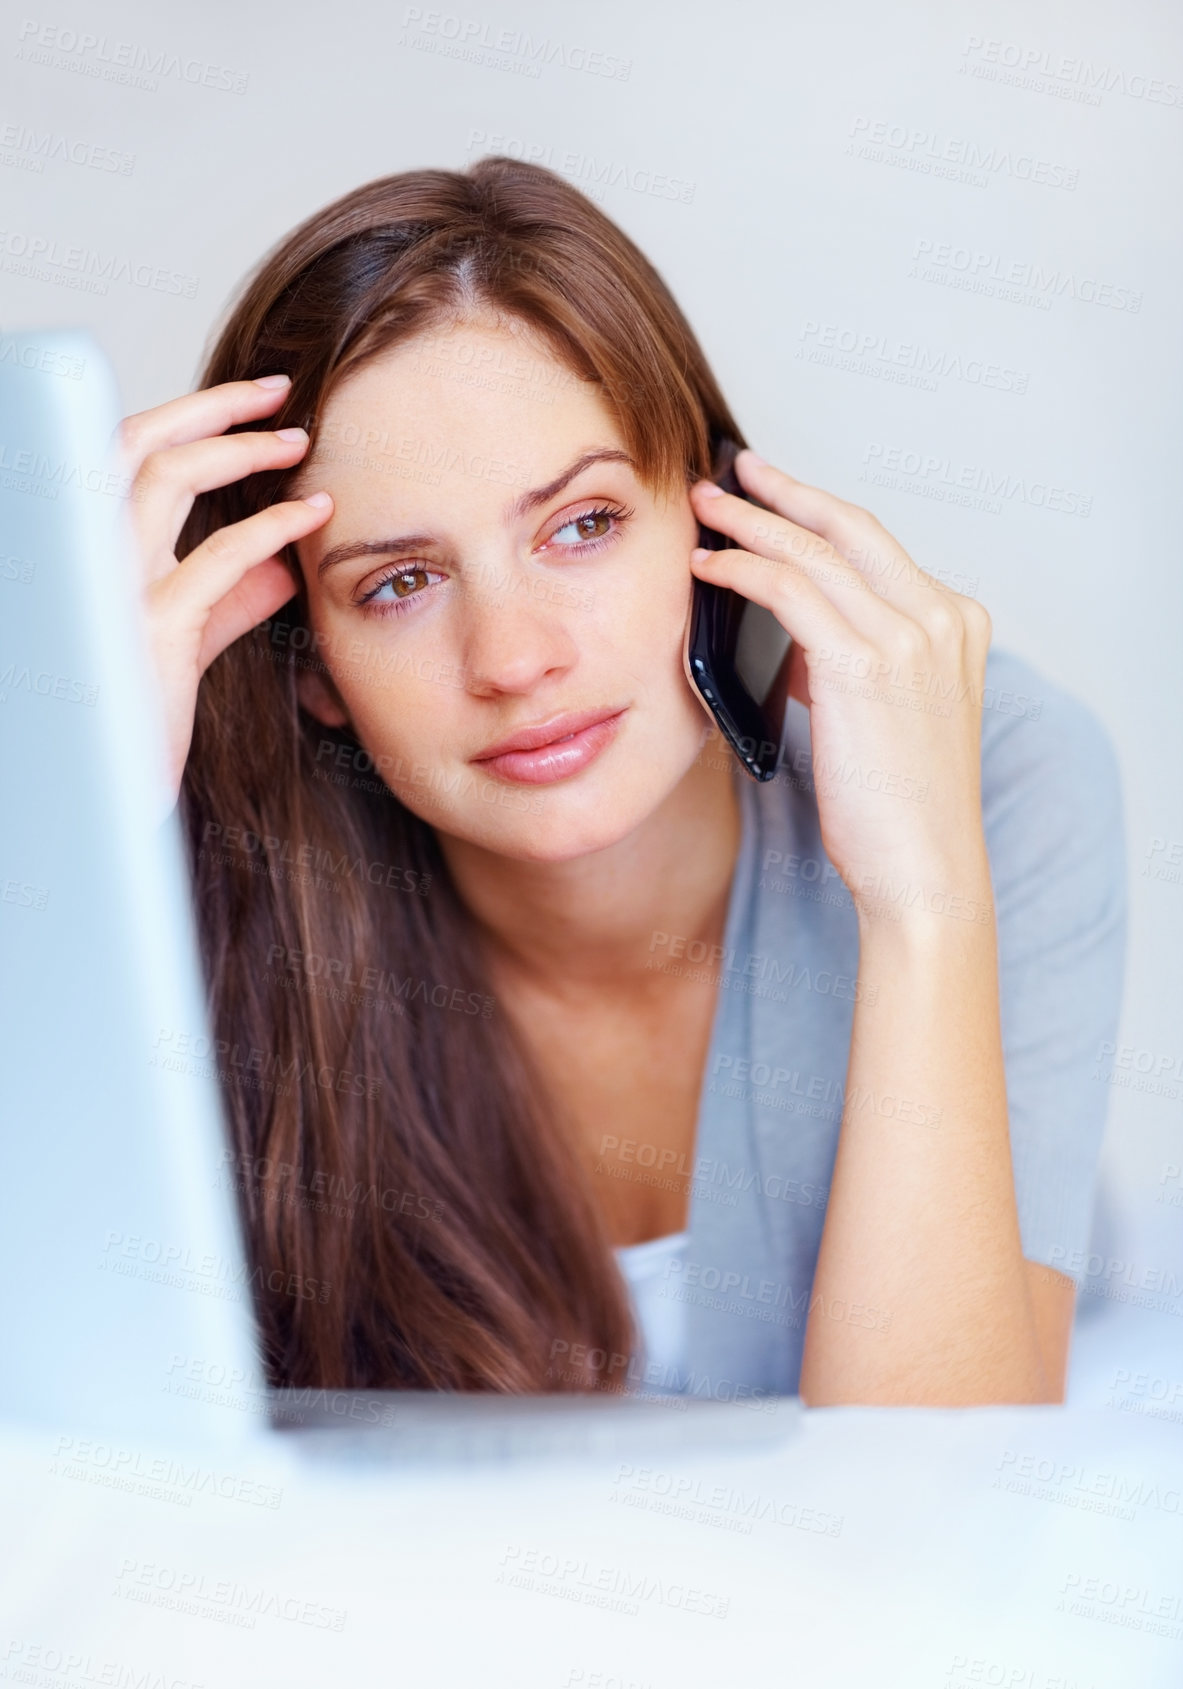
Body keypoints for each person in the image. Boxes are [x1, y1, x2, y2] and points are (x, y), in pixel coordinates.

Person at [117, 156, 1126, 1406]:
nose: (515, 658)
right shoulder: (163, 855)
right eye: (398, 582)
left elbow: (935, 1505)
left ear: (711, 536)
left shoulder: (994, 773)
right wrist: (68, 821)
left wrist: (922, 903)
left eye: (582, 525)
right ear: (309, 666)